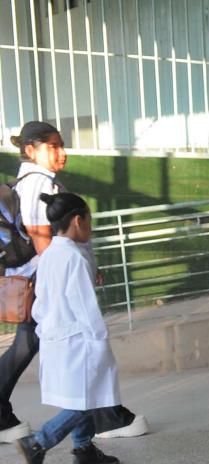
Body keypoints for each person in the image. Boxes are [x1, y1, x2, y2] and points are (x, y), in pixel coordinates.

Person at [1, 122, 145, 445]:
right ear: (30, 150)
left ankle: (91, 436)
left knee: (35, 348)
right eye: (53, 146)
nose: (62, 153)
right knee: (77, 353)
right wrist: (77, 268)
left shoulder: (41, 181)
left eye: (61, 145)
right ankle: (99, 419)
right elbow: (45, 245)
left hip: (39, 282)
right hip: (41, 283)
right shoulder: (37, 183)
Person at [13, 193, 123, 464]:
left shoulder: (49, 254)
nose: (91, 227)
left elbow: (42, 302)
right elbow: (84, 306)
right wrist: (100, 339)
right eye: (89, 220)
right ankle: (38, 442)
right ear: (78, 220)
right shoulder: (73, 257)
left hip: (55, 335)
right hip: (79, 338)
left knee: (79, 395)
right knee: (90, 398)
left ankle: (83, 449)